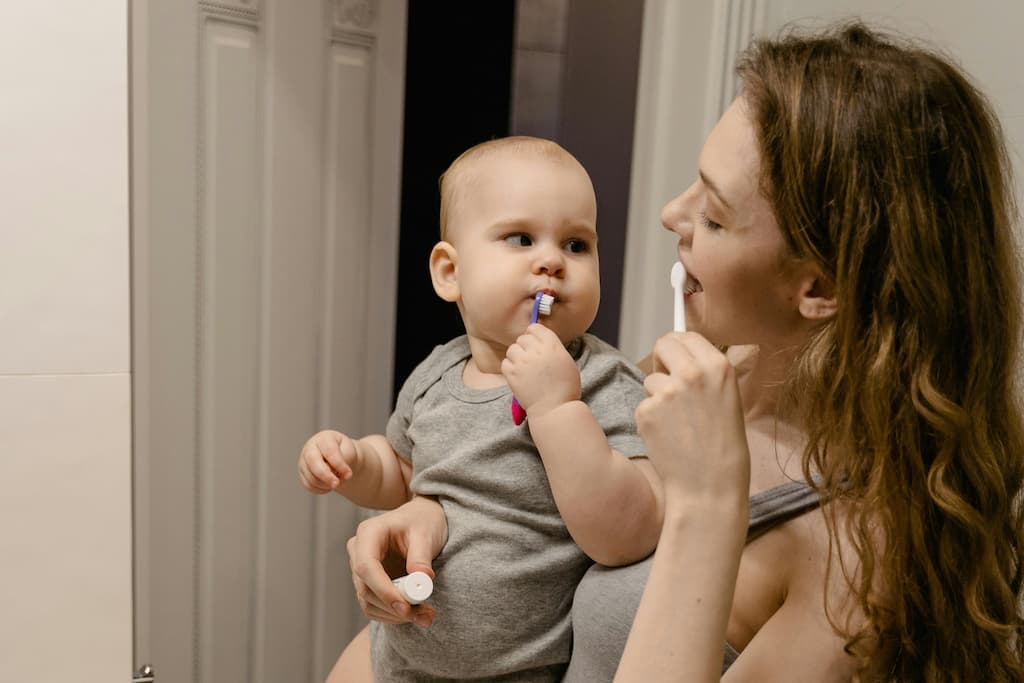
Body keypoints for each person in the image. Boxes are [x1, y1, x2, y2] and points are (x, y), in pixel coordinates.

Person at [337, 20, 1024, 682]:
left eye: (715, 214)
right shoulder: (679, 384)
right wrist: (425, 520)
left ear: (816, 286)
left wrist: (704, 504)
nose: (672, 212)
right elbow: (517, 531)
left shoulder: (859, 560)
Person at [298, 136, 664, 681]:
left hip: (516, 672)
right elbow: (403, 473)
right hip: (400, 658)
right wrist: (350, 460)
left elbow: (629, 533)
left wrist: (556, 407)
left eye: (576, 245)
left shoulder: (602, 380)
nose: (551, 262)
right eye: (521, 238)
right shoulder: (437, 374)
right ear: (451, 273)